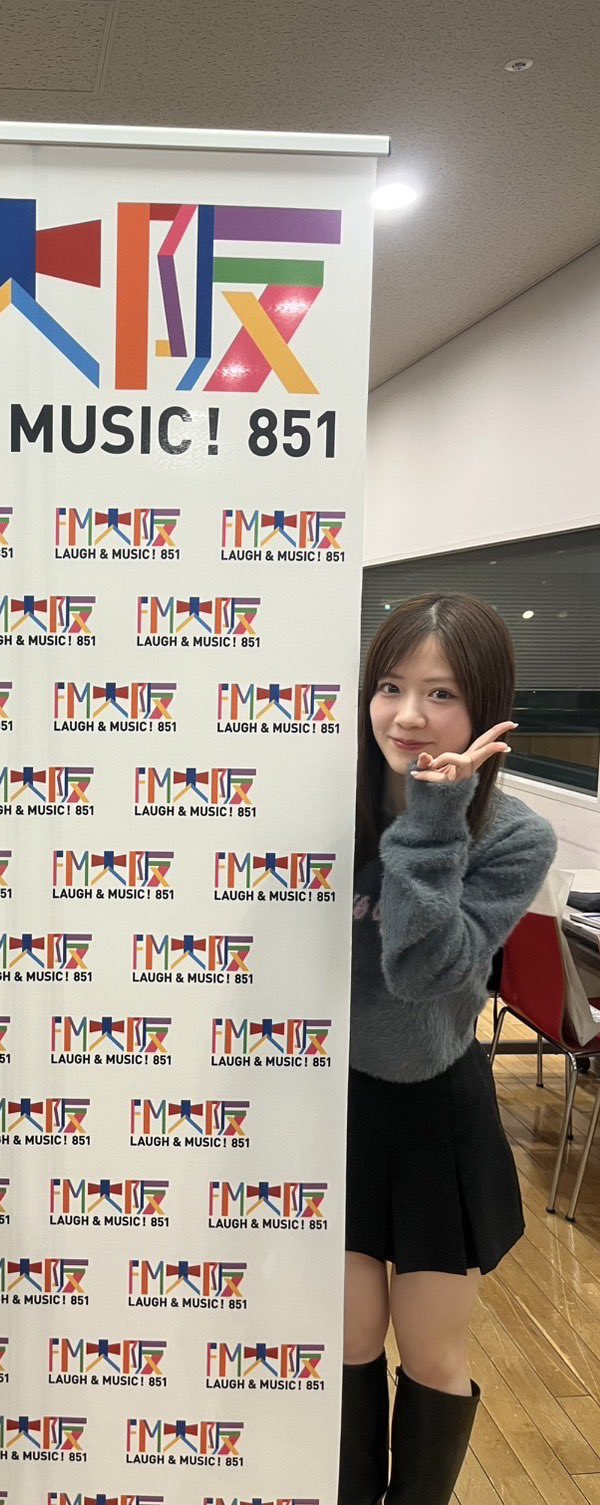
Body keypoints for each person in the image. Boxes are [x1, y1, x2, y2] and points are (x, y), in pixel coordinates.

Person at [341, 592, 556, 1505]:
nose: (409, 715)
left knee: (431, 1352)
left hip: (438, 1108)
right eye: (390, 686)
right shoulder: (330, 808)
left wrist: (433, 816)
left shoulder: (516, 836)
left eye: (441, 693)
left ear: (485, 706)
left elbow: (424, 970)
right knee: (347, 1342)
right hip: (337, 1104)